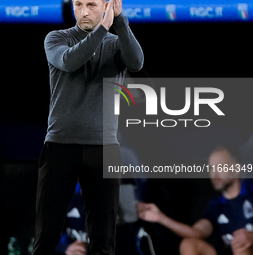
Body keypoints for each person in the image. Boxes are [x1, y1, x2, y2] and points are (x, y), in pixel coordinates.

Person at [31, 0, 144, 254]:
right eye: (78, 4)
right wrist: (104, 27)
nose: (83, 11)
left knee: (103, 240)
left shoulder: (115, 44)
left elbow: (136, 62)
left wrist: (119, 20)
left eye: (91, 5)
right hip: (60, 146)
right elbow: (71, 61)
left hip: (104, 148)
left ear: (106, 5)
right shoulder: (56, 38)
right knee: (45, 236)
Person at [138, 144, 253, 255]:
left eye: (221, 166)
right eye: (211, 168)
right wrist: (159, 217)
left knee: (241, 243)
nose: (214, 173)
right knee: (189, 244)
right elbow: (196, 233)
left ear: (237, 168)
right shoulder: (216, 206)